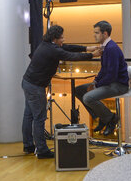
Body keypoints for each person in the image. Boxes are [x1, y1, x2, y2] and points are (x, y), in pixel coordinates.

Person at [22, 25, 100, 158]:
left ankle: (29, 145)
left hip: (28, 83)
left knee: (29, 116)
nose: (64, 39)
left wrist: (87, 48)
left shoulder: (47, 44)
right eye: (62, 37)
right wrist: (92, 55)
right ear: (55, 38)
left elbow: (68, 47)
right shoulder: (52, 50)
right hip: (35, 87)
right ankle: (42, 150)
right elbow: (71, 55)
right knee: (39, 118)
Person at [74, 20, 129, 136]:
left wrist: (96, 86)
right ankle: (101, 117)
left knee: (88, 98)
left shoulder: (111, 48)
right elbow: (104, 69)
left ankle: (110, 118)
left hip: (118, 85)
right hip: (110, 82)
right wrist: (95, 81)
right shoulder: (105, 47)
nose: (94, 35)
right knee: (78, 90)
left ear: (105, 34)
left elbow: (111, 75)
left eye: (97, 33)